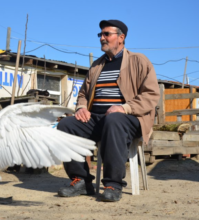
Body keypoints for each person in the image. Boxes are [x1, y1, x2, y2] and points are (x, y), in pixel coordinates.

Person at [57, 20, 160, 202]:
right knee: (66, 125)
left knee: (115, 120)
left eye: (107, 34)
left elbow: (151, 95)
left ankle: (113, 184)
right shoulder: (97, 65)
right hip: (97, 118)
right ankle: (80, 181)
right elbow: (83, 93)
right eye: (101, 34)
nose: (102, 38)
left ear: (121, 38)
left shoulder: (139, 61)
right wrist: (81, 108)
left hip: (129, 118)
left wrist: (124, 107)